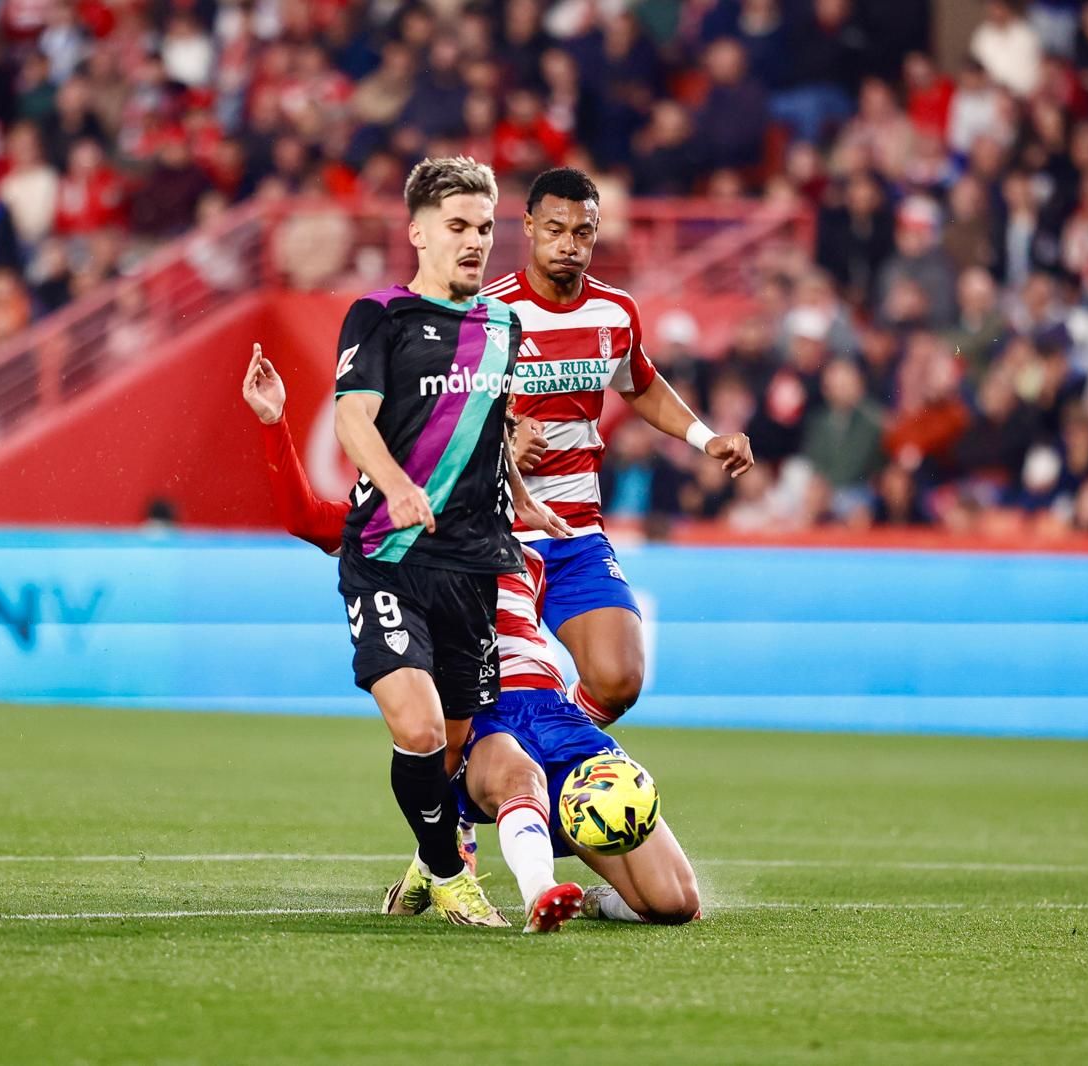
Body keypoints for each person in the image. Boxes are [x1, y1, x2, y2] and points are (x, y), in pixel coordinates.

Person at [241, 347, 700, 933]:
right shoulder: (404, 516)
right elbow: (307, 518)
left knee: (674, 903)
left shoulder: (533, 543)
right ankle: (539, 891)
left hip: (555, 711)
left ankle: (574, 893)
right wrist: (273, 421)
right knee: (516, 775)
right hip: (481, 711)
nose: (509, 440)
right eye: (498, 429)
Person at [331, 156, 570, 928]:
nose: (474, 242)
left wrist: (524, 496)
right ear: (419, 234)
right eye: (457, 228)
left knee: (455, 747)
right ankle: (450, 871)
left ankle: (427, 858)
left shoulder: (504, 325)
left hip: (473, 566)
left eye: (483, 228)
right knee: (420, 727)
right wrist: (397, 485)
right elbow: (352, 418)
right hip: (390, 555)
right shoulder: (380, 315)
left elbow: (489, 429)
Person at [479, 167, 754, 727]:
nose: (568, 245)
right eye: (555, 230)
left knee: (618, 680)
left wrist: (706, 438)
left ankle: (546, 759)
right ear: (529, 227)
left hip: (577, 529)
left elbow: (642, 383)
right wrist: (503, 434)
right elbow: (447, 413)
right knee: (486, 693)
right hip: (497, 532)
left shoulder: (614, 311)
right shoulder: (490, 313)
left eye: (583, 233)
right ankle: (483, 787)